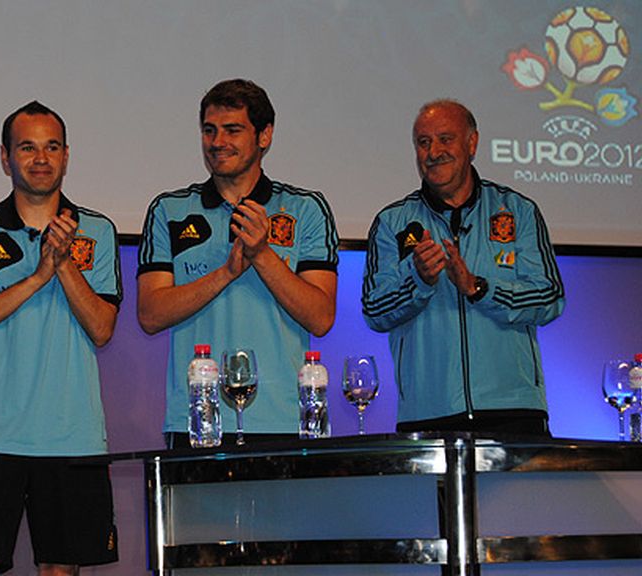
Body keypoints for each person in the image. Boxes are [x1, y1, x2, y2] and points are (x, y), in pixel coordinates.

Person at [0, 101, 120, 576]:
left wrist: (63, 264)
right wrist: (38, 275)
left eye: (52, 147)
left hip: (70, 435)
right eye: (27, 147)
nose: (41, 158)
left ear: (66, 156)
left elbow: (102, 328)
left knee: (60, 570)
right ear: (5, 157)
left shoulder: (97, 230)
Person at [138, 79, 339, 448]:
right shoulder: (169, 210)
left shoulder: (305, 209)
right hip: (198, 420)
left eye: (232, 130)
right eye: (209, 131)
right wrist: (226, 273)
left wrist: (262, 254)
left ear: (265, 136)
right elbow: (150, 315)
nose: (217, 142)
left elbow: (321, 317)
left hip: (282, 421)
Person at [362, 99, 565, 435]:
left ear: (472, 143)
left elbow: (550, 298)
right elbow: (374, 309)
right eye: (423, 142)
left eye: (445, 139)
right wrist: (421, 281)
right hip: (428, 412)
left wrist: (477, 288)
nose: (433, 151)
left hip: (513, 410)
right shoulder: (392, 222)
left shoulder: (518, 210)